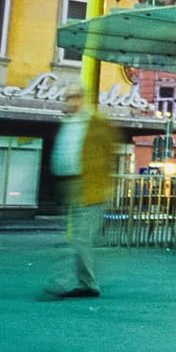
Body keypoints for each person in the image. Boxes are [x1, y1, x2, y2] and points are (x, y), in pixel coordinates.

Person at [45, 84, 120, 299]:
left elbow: (109, 153)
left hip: (91, 188)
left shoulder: (96, 123)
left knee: (79, 238)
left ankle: (61, 283)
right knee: (80, 238)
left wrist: (103, 183)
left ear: (83, 99)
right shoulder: (70, 124)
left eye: (74, 97)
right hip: (72, 185)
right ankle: (87, 283)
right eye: (68, 97)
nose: (71, 101)